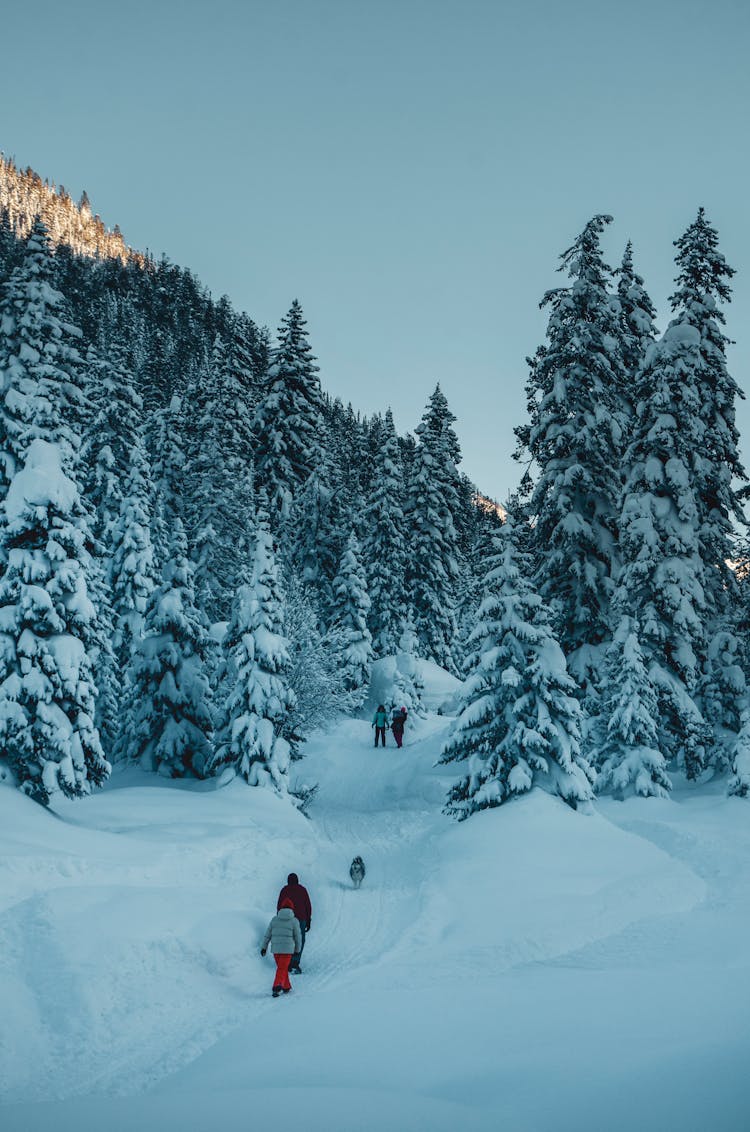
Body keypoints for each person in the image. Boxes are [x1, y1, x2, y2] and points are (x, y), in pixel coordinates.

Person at [261, 898, 301, 997]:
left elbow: (267, 935)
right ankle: (276, 986)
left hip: (276, 950)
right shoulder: (294, 921)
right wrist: (297, 950)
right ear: (292, 908)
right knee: (282, 968)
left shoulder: (274, 920)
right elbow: (298, 937)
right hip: (287, 950)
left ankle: (286, 986)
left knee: (282, 967)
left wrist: (264, 947)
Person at [277, 872, 312, 974]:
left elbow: (279, 906)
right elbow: (308, 906)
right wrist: (308, 920)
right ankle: (295, 963)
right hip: (300, 919)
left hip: (287, 920)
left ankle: (288, 963)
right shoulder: (302, 890)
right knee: (299, 941)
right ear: (297, 880)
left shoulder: (284, 890)